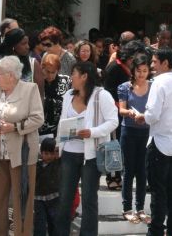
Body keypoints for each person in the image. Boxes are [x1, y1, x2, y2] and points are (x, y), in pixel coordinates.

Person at [0, 55, 44, 235]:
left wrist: (15, 127)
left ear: (12, 75)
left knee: (22, 200)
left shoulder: (30, 89)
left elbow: (38, 118)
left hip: (21, 154)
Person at [133, 48, 172, 236]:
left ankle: (156, 231)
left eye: (154, 62)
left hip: (159, 142)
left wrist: (142, 116)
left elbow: (152, 116)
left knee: (158, 191)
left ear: (165, 63)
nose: (151, 66)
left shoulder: (158, 83)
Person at [55, 61, 118, 235]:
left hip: (90, 156)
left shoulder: (101, 95)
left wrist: (91, 132)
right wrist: (58, 144)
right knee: (64, 199)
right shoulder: (68, 95)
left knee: (89, 200)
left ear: (84, 76)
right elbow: (62, 121)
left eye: (74, 74)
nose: (71, 78)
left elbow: (113, 121)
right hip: (68, 153)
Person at [103, 40, 147, 189]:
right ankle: (114, 177)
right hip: (115, 112)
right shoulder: (115, 67)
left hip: (129, 114)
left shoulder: (130, 69)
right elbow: (108, 92)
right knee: (115, 146)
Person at [117, 54, 152, 224]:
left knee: (142, 171)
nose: (141, 74)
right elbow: (121, 110)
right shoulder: (125, 87)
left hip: (146, 132)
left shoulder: (153, 87)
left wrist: (146, 116)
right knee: (128, 170)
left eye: (145, 71)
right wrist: (130, 113)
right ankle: (127, 208)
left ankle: (141, 208)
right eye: (139, 71)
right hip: (128, 131)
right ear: (133, 71)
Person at [39, 54, 71, 138]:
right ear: (42, 68)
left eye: (53, 72)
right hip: (40, 128)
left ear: (58, 70)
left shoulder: (66, 81)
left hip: (60, 127)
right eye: (47, 71)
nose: (50, 75)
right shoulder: (37, 82)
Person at [33, 138, 61, 236]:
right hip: (38, 200)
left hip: (54, 199)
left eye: (51, 153)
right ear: (41, 153)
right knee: (39, 225)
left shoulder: (57, 164)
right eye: (45, 153)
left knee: (54, 224)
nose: (48, 156)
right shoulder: (36, 165)